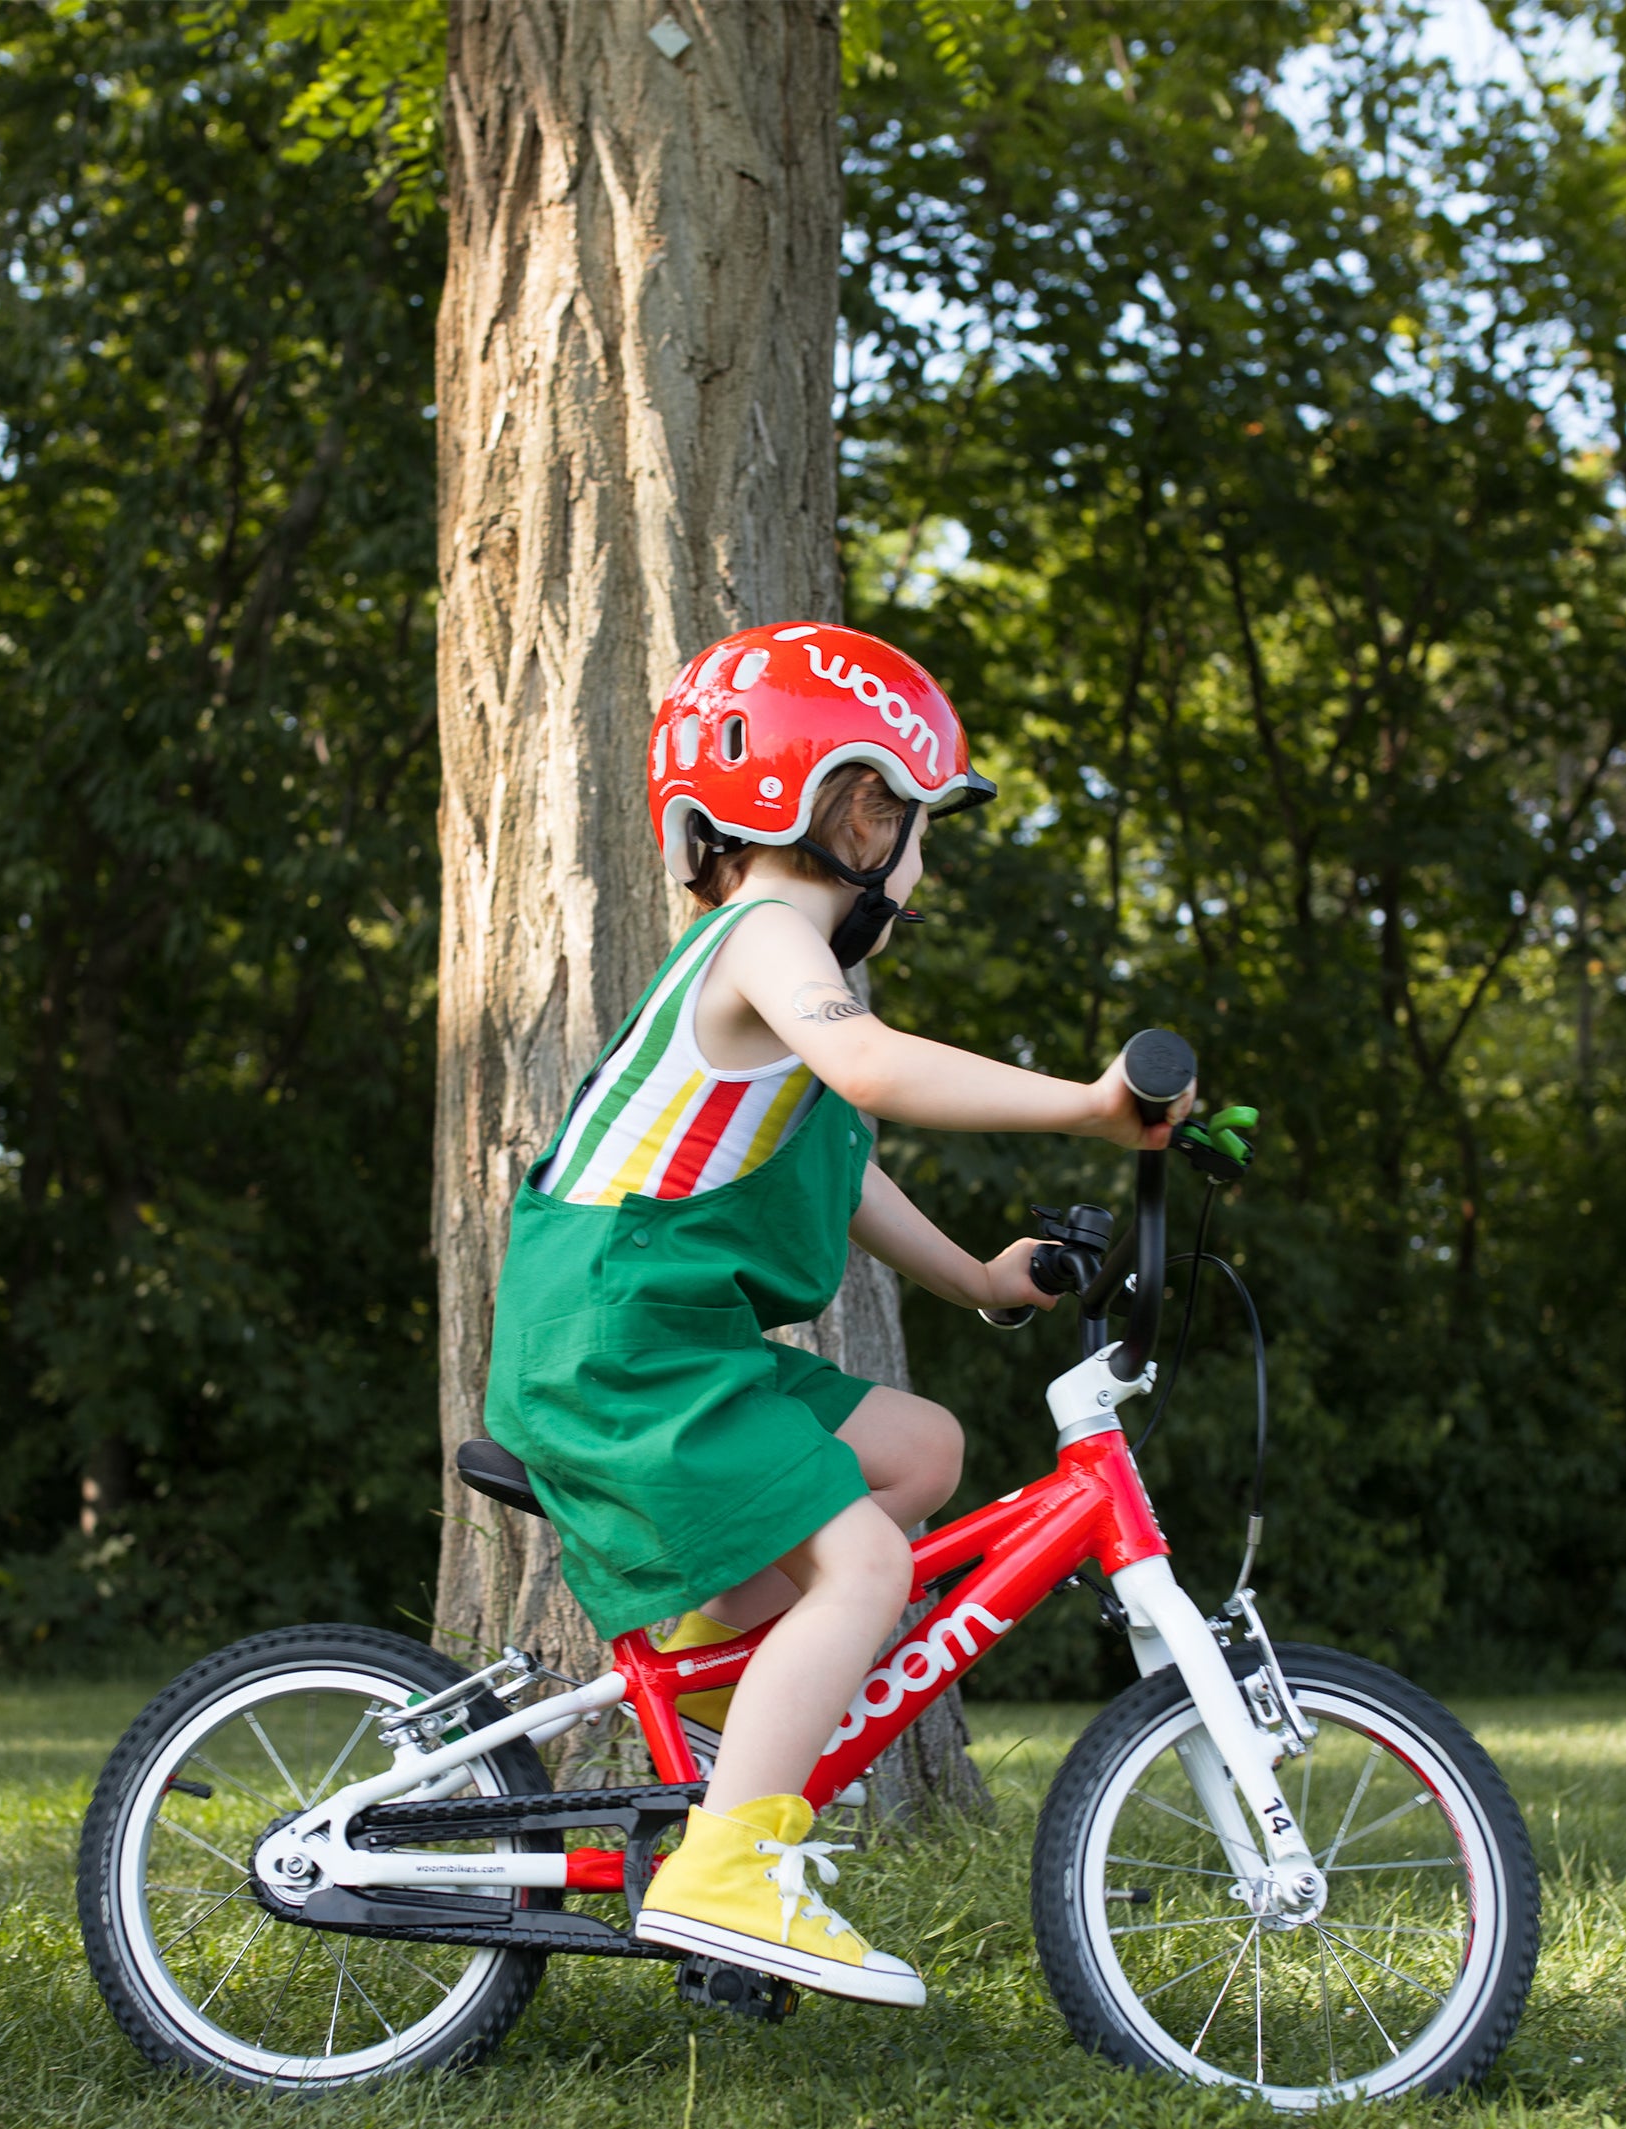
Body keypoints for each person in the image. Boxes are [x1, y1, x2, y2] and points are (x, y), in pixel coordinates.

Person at [484, 621, 1189, 2008]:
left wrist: (986, 1280)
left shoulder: (771, 982)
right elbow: (866, 1072)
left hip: (661, 1342)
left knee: (920, 1449)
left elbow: (841, 1163)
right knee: (867, 1566)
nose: (919, 869)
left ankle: (721, 1674)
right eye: (914, 826)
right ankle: (728, 1869)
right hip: (615, 1345)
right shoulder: (761, 937)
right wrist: (1092, 1107)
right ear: (848, 808)